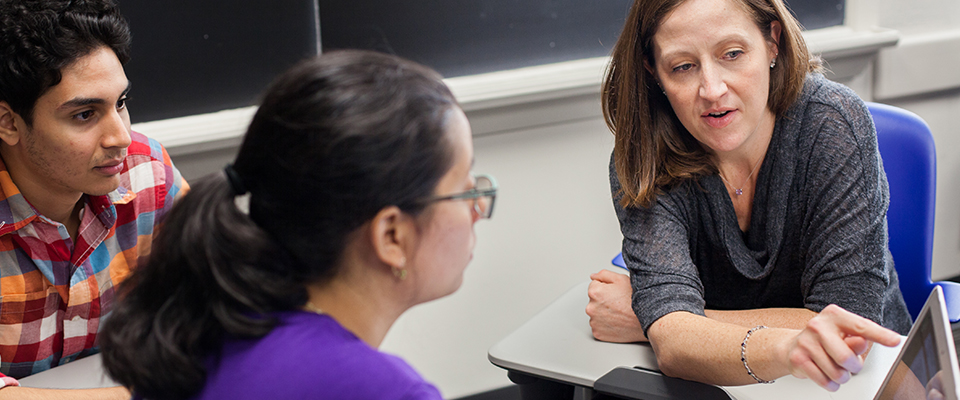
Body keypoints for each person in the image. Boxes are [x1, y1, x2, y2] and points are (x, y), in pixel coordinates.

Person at [99, 50, 496, 400]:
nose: (478, 207)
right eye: (463, 190)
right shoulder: (386, 391)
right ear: (392, 236)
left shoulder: (197, 332)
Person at [585, 0, 910, 392]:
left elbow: (848, 334)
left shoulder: (833, 125)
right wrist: (667, 326)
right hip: (724, 387)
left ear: (773, 42)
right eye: (683, 67)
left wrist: (656, 319)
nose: (712, 89)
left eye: (733, 54)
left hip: (867, 383)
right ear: (653, 72)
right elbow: (672, 348)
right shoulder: (644, 155)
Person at [0, 0, 186, 397]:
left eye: (120, 103)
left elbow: (221, 300)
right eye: (85, 114)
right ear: (8, 122)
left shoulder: (146, 173)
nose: (120, 137)